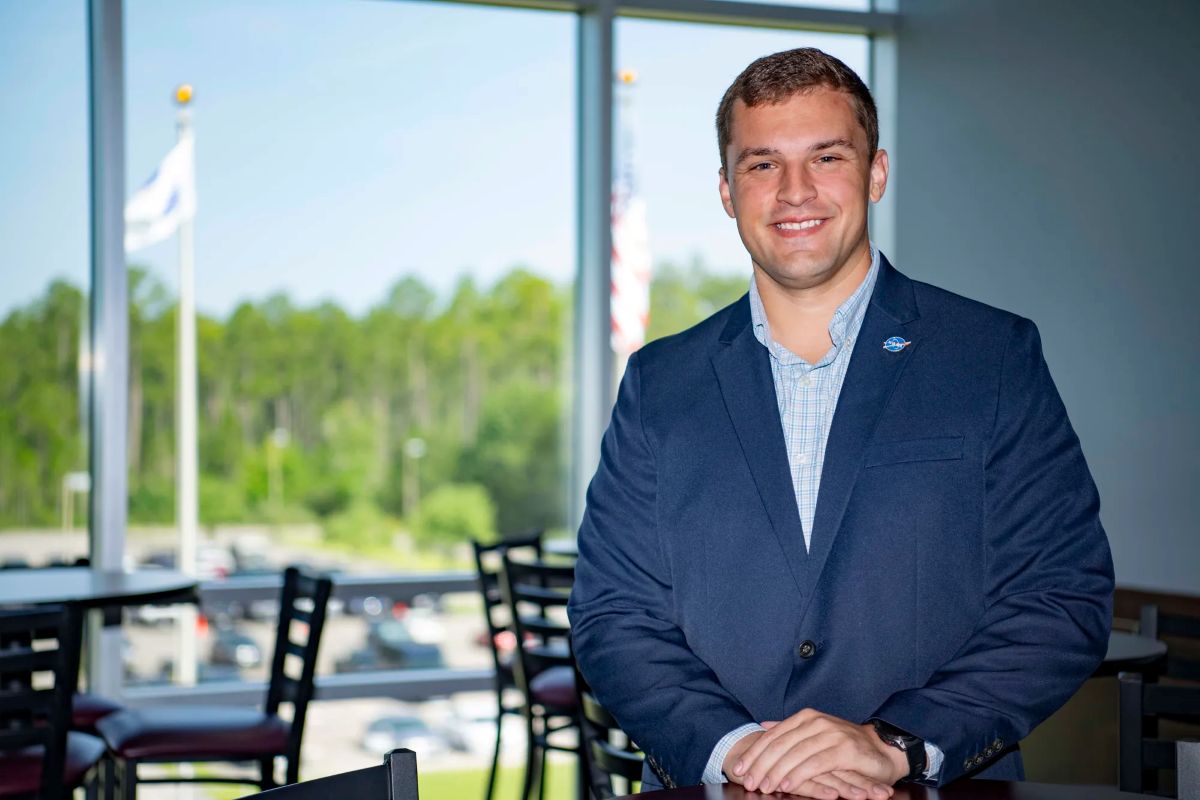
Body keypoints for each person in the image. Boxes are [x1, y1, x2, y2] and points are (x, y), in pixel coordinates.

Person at [567, 47, 1114, 799]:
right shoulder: (658, 384)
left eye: (826, 157)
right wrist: (736, 750)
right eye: (763, 164)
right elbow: (614, 613)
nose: (795, 190)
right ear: (727, 190)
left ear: (876, 173)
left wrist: (895, 742)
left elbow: (1059, 597)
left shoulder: (992, 357)